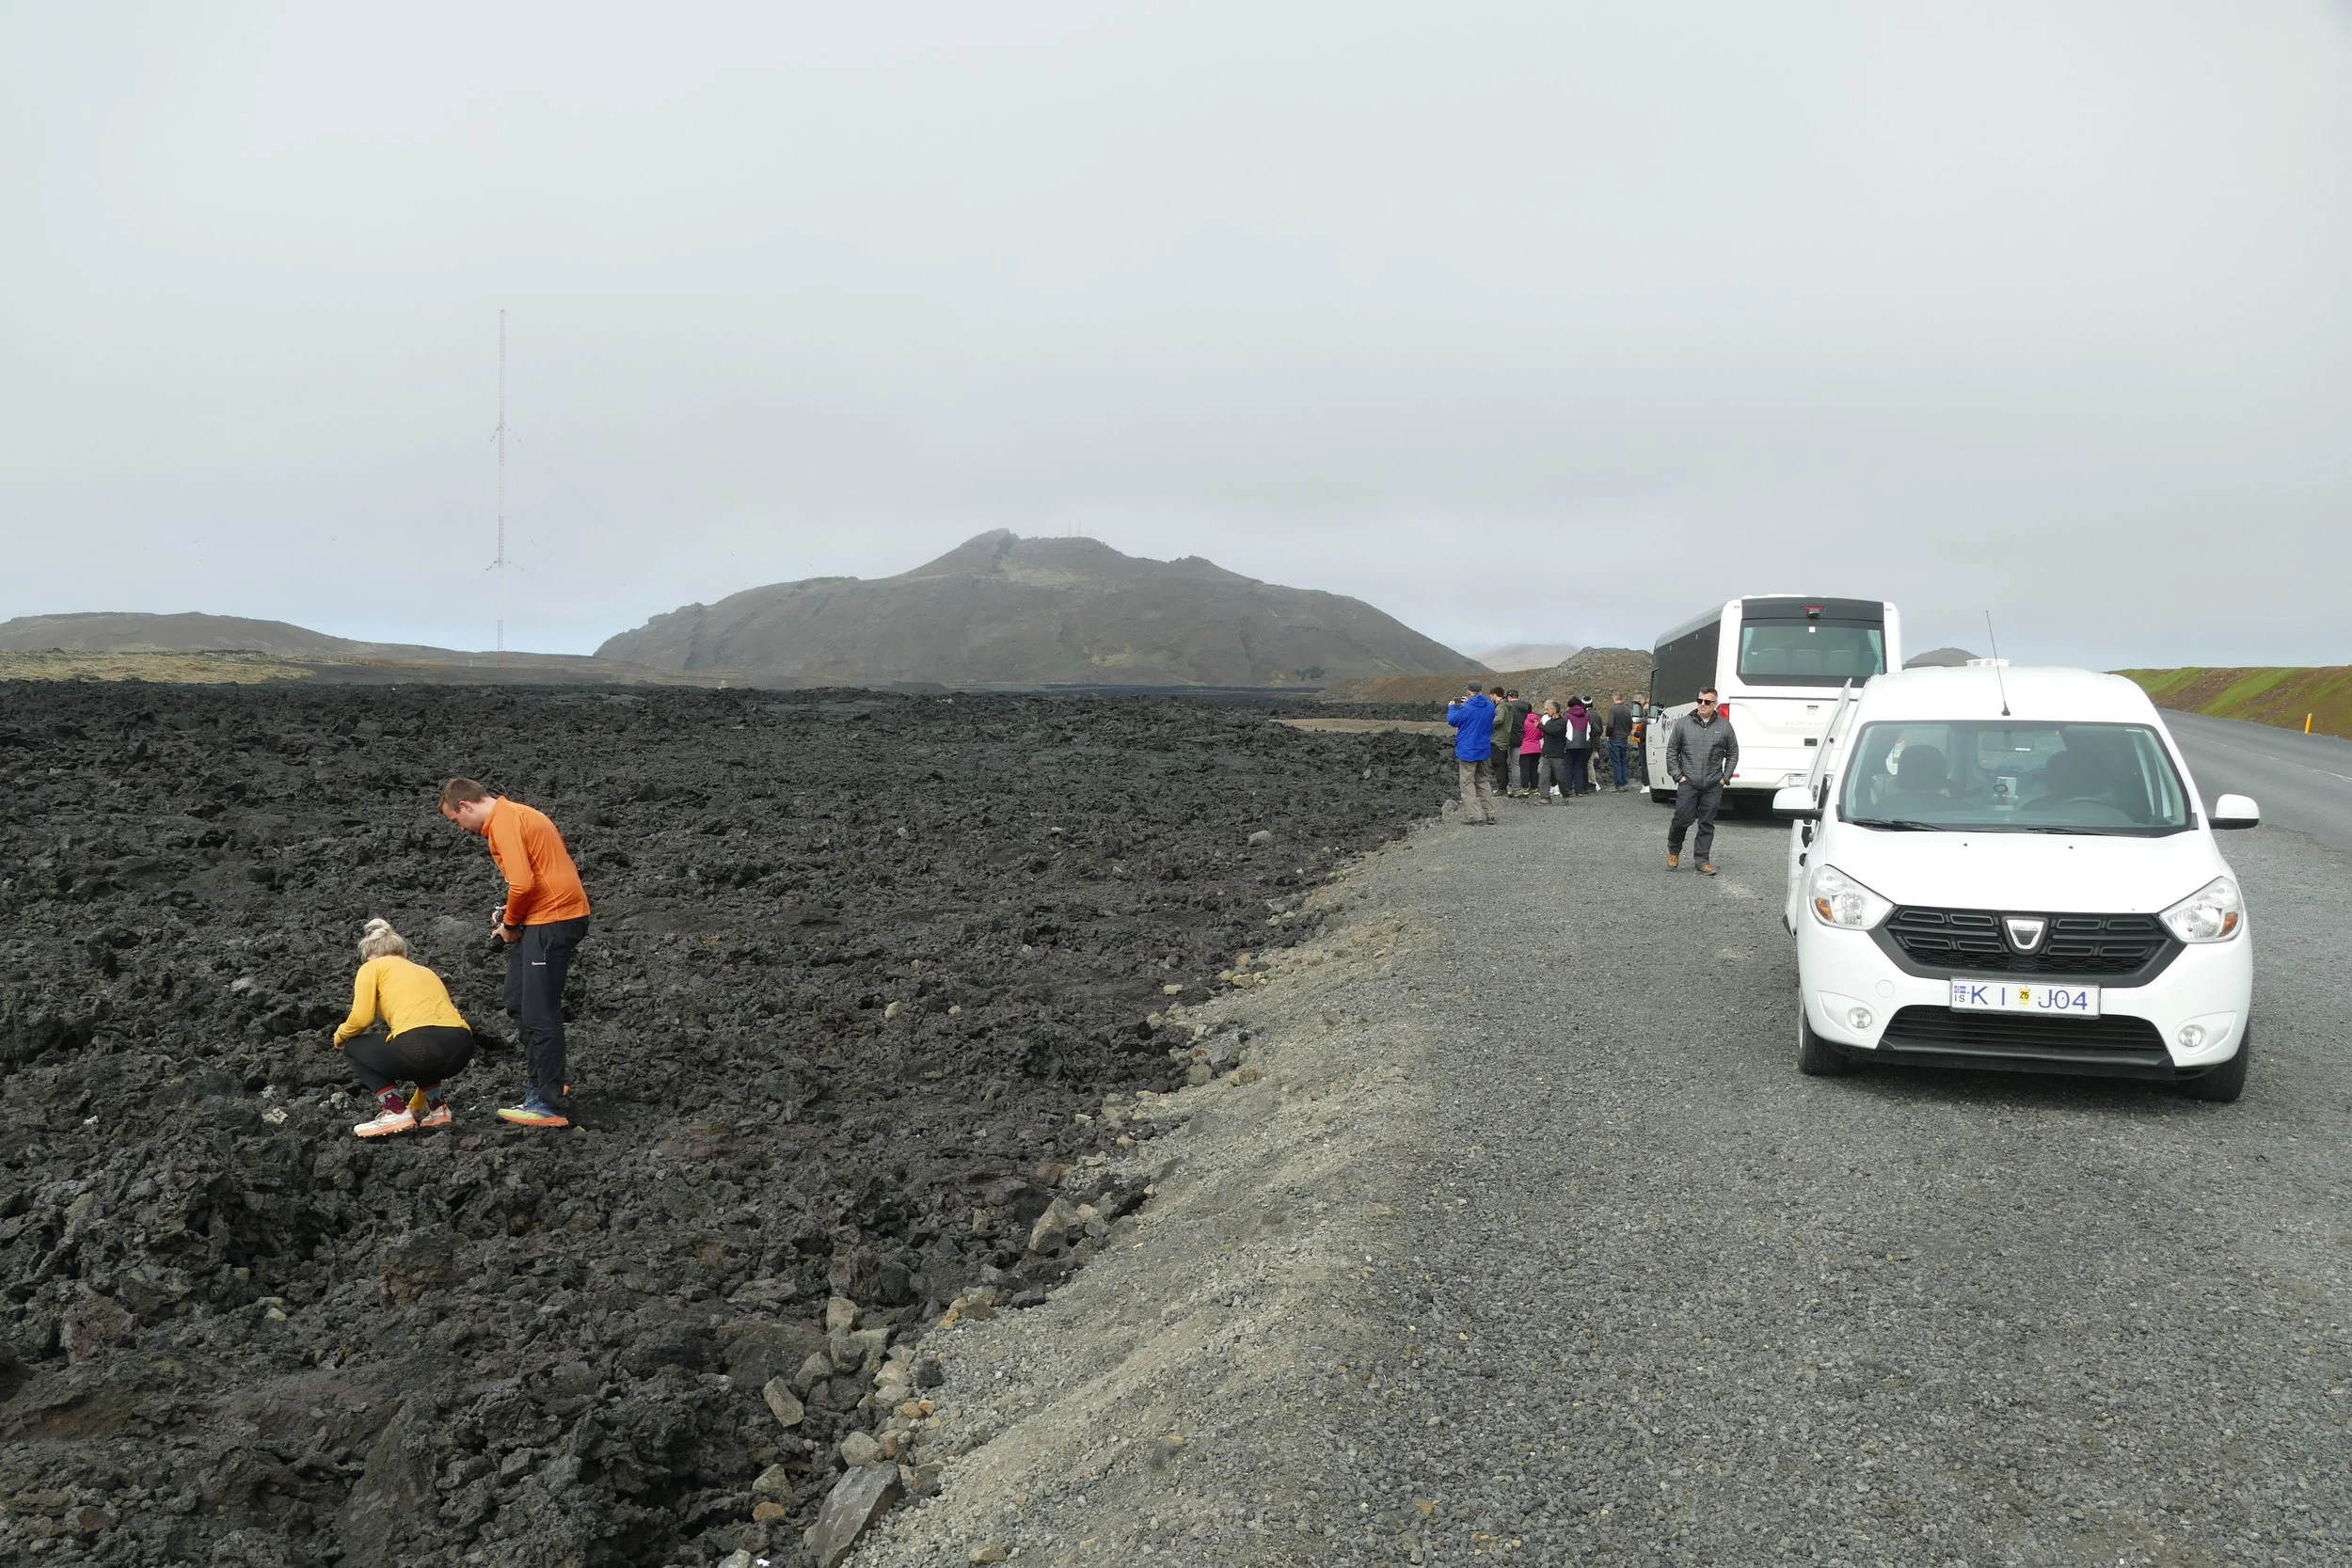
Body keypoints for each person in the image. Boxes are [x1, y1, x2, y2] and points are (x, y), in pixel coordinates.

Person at [439, 777, 593, 1128]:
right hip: (544, 918)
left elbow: (523, 883)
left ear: (465, 806)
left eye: (455, 820)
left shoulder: (505, 822)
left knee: (539, 1012)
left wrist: (508, 925)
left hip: (554, 919)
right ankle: (541, 1086)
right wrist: (511, 917)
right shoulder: (514, 815)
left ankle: (550, 1103)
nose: (460, 829)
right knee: (518, 1000)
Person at [332, 918, 476, 1138]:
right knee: (419, 1047)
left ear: (369, 955)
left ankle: (395, 1110)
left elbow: (361, 1018)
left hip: (421, 1044)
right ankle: (438, 1110)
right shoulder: (426, 971)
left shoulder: (372, 967)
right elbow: (430, 1050)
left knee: (354, 1046)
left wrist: (340, 1035)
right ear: (403, 954)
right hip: (461, 1046)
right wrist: (418, 1104)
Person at [1664, 689, 1739, 874]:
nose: (1702, 704)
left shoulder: (1725, 727)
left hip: (1713, 785)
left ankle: (1702, 860)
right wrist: (1678, 776)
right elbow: (1672, 751)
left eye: (1707, 702)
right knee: (1682, 820)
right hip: (1688, 782)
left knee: (1707, 823)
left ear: (1715, 704)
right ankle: (1674, 851)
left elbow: (1733, 753)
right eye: (1700, 700)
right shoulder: (1683, 724)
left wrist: (1724, 778)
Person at [1444, 682, 1499, 825]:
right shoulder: (1490, 705)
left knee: (1467, 782)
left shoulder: (1466, 707)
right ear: (1481, 690)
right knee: (1483, 780)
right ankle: (1490, 813)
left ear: (1468, 691)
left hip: (1468, 750)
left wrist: (1452, 707)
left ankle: (1476, 815)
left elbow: (1453, 720)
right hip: (1484, 748)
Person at [1534, 701, 1570, 803]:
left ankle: (1565, 795)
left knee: (1560, 777)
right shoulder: (1549, 722)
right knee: (1543, 776)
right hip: (1546, 754)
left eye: (1548, 709)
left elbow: (1554, 731)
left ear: (1554, 710)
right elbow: (1548, 731)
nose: (1546, 711)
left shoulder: (1562, 722)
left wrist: (1540, 726)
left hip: (1557, 755)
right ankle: (1545, 797)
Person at [1563, 696, 1598, 797]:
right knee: (1579, 767)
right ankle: (1579, 790)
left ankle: (1568, 789)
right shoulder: (1586, 716)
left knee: (1568, 767)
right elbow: (1595, 729)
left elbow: (1564, 729)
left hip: (1569, 744)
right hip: (1584, 745)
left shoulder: (1567, 715)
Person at [1488, 689, 1516, 799]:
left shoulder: (1500, 707)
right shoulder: (1507, 706)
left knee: (1498, 763)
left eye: (1491, 695)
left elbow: (1499, 719)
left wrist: (1488, 723)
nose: (1490, 697)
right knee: (1502, 763)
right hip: (1504, 738)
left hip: (1498, 739)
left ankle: (1501, 788)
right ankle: (1504, 786)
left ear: (1495, 695)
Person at [1605, 692, 1634, 791]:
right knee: (1623, 761)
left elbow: (1610, 724)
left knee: (1616, 762)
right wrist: (1626, 733)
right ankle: (1624, 783)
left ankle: (1619, 784)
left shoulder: (1613, 710)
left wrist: (1608, 734)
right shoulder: (1627, 711)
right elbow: (1630, 724)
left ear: (1615, 699)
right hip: (1624, 739)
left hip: (1615, 738)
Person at [1518, 703, 1543, 795]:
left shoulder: (1523, 721)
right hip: (1536, 748)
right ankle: (1534, 787)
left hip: (1525, 748)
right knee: (1534, 769)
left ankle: (1524, 788)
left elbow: (1521, 734)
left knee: (1525, 769)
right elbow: (1541, 734)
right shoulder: (1538, 720)